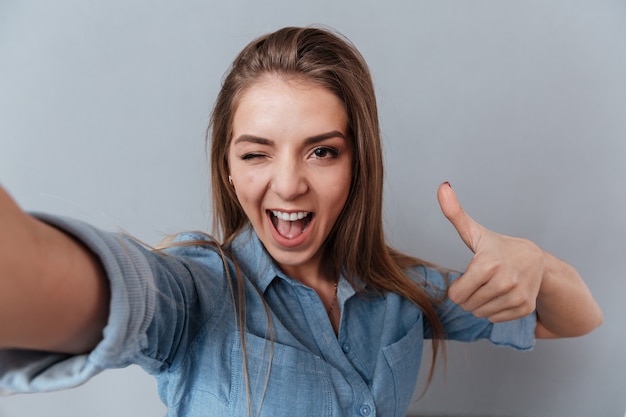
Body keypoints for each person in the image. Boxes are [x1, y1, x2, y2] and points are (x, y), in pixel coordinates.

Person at [0, 26, 602, 417]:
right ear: (229, 170)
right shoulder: (194, 292)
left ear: (357, 165)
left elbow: (576, 319)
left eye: (322, 151)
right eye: (257, 153)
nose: (288, 184)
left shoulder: (399, 291)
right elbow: (88, 288)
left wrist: (534, 262)